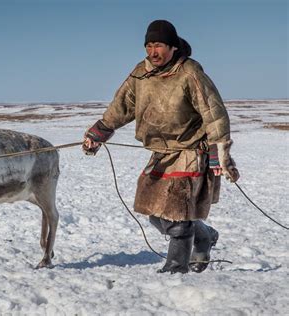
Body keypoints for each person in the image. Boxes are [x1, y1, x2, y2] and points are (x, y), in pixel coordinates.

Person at [82, 20, 240, 274]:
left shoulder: (190, 73)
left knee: (178, 215)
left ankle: (176, 269)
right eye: (149, 45)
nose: (153, 52)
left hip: (190, 151)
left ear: (173, 47)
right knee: (154, 209)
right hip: (161, 154)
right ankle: (204, 236)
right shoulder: (140, 74)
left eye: (159, 45)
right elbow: (122, 106)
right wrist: (99, 132)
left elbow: (214, 113)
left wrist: (217, 151)